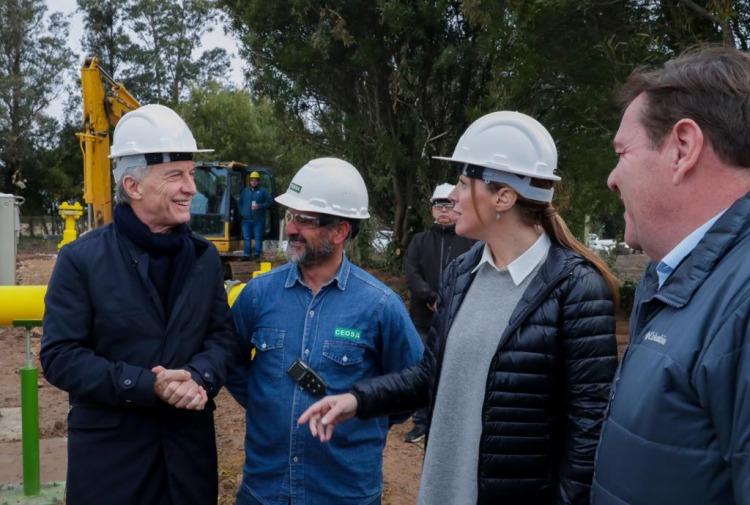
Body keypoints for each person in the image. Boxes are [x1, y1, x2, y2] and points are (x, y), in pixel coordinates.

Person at [300, 111, 619, 505]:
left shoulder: (576, 288)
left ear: (503, 196)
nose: (451, 197)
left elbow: (589, 429)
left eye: (464, 184)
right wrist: (358, 400)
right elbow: (431, 375)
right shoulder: (462, 273)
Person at [41, 104, 238, 505]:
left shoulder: (204, 260)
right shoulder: (82, 260)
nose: (192, 188)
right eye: (176, 176)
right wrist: (148, 385)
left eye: (191, 174)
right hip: (112, 466)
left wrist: (199, 377)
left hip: (188, 464)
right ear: (133, 187)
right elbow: (61, 356)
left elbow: (222, 337)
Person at [590, 46, 750, 505]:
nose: (611, 178)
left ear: (682, 148)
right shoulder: (681, 281)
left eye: (622, 152)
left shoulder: (739, 301)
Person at [226, 157, 424, 505]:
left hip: (343, 492)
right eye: (291, 216)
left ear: (340, 231)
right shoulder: (258, 295)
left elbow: (412, 387)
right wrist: (268, 402)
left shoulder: (380, 306)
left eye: (305, 220)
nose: (290, 228)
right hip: (266, 490)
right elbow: (230, 361)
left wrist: (361, 415)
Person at [402, 182, 474, 443]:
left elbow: (472, 275)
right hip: (423, 318)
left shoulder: (470, 241)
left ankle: (446, 423)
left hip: (458, 318)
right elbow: (411, 272)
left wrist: (450, 299)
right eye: (438, 205)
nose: (444, 210)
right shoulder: (419, 240)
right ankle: (420, 422)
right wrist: (429, 296)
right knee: (422, 368)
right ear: (432, 209)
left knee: (452, 370)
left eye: (449, 204)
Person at [238, 170, 271, 259]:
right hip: (246, 220)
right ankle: (247, 255)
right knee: (246, 238)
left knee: (258, 237)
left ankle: (257, 255)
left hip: (258, 219)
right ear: (250, 181)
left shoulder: (263, 191)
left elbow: (269, 202)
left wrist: (259, 206)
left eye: (256, 180)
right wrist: (242, 212)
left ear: (259, 181)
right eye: (252, 180)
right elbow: (240, 202)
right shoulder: (245, 191)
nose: (254, 182)